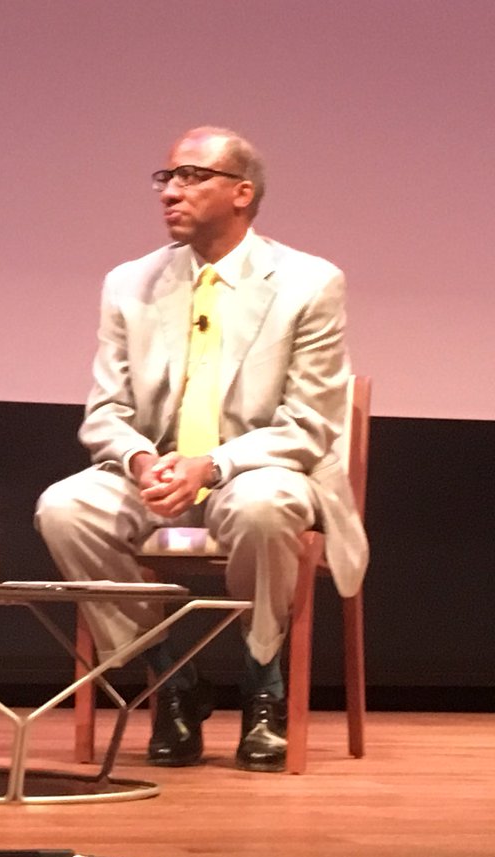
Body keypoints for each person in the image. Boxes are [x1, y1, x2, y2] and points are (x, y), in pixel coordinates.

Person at [35, 126, 367, 772]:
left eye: (191, 177)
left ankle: (262, 682)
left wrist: (210, 466)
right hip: (156, 472)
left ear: (242, 193)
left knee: (264, 507)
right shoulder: (130, 284)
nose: (170, 192)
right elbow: (105, 414)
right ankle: (172, 679)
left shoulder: (309, 283)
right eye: (166, 179)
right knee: (64, 508)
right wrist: (140, 461)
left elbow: (309, 424)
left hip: (262, 468)